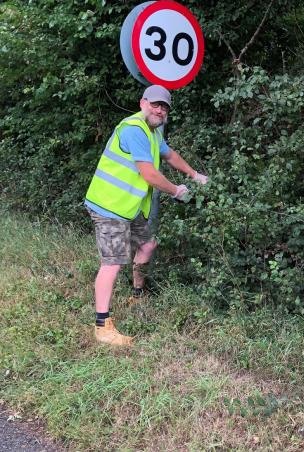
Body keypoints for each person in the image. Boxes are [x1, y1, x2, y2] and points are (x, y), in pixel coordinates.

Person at [84, 84, 208, 347]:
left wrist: (194, 174)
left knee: (148, 245)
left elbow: (170, 155)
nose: (159, 109)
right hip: (109, 206)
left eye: (164, 107)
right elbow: (149, 175)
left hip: (128, 207)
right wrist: (176, 192)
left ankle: (137, 293)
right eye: (155, 104)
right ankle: (102, 326)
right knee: (113, 262)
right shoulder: (134, 129)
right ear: (143, 103)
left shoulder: (152, 133)